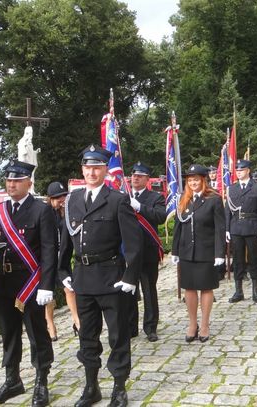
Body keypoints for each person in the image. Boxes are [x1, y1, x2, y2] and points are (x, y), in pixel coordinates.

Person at [58, 144, 142, 407]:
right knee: (87, 336)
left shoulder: (117, 200)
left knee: (118, 336)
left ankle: (119, 387)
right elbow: (67, 239)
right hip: (83, 279)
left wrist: (130, 277)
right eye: (87, 167)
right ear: (82, 169)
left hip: (111, 278)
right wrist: (63, 271)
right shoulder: (72, 200)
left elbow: (134, 243)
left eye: (96, 167)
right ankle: (91, 386)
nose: (91, 172)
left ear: (105, 170)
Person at [0, 160, 57, 407]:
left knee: (37, 333)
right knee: (9, 333)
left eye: (17, 180)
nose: (12, 184)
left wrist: (48, 285)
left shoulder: (42, 210)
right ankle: (12, 379)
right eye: (8, 180)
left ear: (29, 182)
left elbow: (50, 250)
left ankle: (41, 381)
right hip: (5, 282)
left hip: (32, 283)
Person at [171, 164, 224, 342]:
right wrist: (175, 250)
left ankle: (205, 324)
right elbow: (179, 226)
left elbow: (219, 228)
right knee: (189, 288)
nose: (193, 182)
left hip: (206, 251)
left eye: (196, 179)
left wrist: (219, 253)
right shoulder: (184, 199)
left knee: (206, 288)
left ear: (204, 180)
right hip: (187, 252)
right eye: (190, 180)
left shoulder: (214, 199)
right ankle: (192, 324)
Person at [128, 162, 166, 342]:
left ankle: (150, 327)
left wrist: (140, 207)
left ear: (147, 179)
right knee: (128, 290)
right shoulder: (123, 196)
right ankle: (131, 326)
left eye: (140, 176)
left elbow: (160, 216)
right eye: (134, 175)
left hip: (147, 251)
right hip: (127, 252)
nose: (135, 178)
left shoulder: (155, 197)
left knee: (149, 290)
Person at [225, 159, 257, 303]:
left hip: (252, 227)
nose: (238, 172)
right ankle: (239, 292)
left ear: (248, 170)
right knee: (237, 261)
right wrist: (226, 229)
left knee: (254, 259)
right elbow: (227, 211)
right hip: (236, 227)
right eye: (237, 170)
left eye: (241, 170)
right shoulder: (231, 188)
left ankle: (256, 292)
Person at [45, 181, 80, 341]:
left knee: (70, 289)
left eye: (63, 196)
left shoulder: (66, 212)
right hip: (46, 260)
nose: (61, 199)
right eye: (57, 197)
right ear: (50, 199)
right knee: (49, 294)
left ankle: (77, 321)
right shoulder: (45, 213)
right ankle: (50, 323)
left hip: (62, 258)